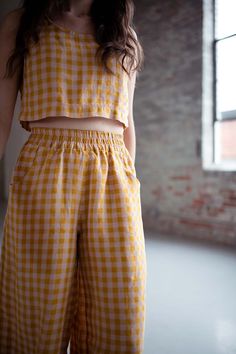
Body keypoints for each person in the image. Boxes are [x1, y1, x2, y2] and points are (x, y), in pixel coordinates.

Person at [0, 0, 147, 353]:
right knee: (37, 301)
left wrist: (129, 180)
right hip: (47, 167)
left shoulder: (123, 35)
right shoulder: (21, 23)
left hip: (114, 170)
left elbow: (126, 123)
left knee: (119, 296)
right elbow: (1, 113)